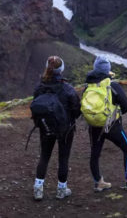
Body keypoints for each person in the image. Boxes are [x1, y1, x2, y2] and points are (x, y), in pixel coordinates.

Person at [84, 56, 127, 191]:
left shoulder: (88, 85)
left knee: (95, 154)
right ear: (108, 70)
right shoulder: (112, 85)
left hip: (94, 126)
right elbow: (126, 106)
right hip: (112, 125)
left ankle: (98, 183)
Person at [32, 56, 81, 200]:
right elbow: (76, 110)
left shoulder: (40, 87)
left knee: (44, 157)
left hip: (45, 127)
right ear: (62, 70)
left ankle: (38, 189)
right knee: (63, 159)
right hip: (65, 129)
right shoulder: (68, 89)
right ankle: (61, 190)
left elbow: (35, 105)